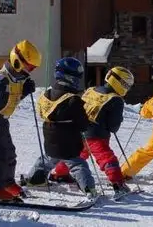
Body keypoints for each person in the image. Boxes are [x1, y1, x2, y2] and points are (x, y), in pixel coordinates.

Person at [49, 66, 135, 197]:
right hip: (97, 135)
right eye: (127, 85)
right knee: (107, 158)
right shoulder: (115, 99)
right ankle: (118, 184)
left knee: (76, 154)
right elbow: (113, 127)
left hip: (78, 130)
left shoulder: (91, 90)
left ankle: (59, 174)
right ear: (121, 84)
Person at [24, 57, 97, 199]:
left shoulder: (46, 95)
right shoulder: (73, 100)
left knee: (47, 159)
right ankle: (89, 189)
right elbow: (82, 124)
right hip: (68, 143)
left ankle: (35, 180)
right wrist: (88, 124)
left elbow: (41, 113)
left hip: (49, 137)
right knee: (78, 165)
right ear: (71, 78)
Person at [0, 40, 40, 200]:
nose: (29, 71)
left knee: (9, 152)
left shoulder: (17, 80)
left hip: (2, 120)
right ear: (18, 61)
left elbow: (11, 99)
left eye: (32, 68)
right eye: (29, 67)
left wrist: (24, 92)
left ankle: (6, 183)